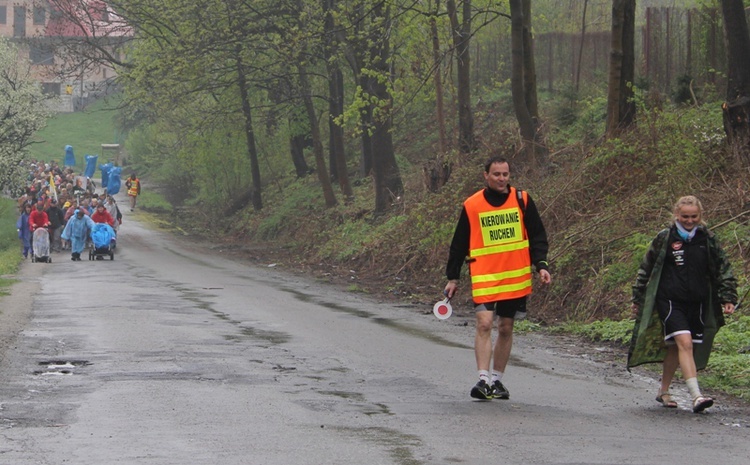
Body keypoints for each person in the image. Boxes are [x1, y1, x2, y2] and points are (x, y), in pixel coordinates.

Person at [444, 157, 552, 400]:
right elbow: (459, 243)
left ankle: (497, 381)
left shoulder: (522, 200)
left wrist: (541, 265)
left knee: (505, 327)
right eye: (496, 174)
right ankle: (482, 380)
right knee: (484, 323)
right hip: (484, 276)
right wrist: (453, 277)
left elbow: (537, 235)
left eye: (505, 174)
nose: (502, 178)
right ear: (486, 176)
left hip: (515, 277)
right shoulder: (472, 205)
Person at [629, 195, 737, 413]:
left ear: (700, 216)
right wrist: (638, 298)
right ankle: (697, 396)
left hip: (697, 301)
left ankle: (664, 390)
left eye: (694, 216)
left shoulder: (707, 238)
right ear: (676, 215)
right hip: (669, 299)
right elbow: (646, 268)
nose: (689, 221)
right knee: (685, 343)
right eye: (685, 216)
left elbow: (722, 268)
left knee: (677, 348)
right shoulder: (665, 237)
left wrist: (728, 296)